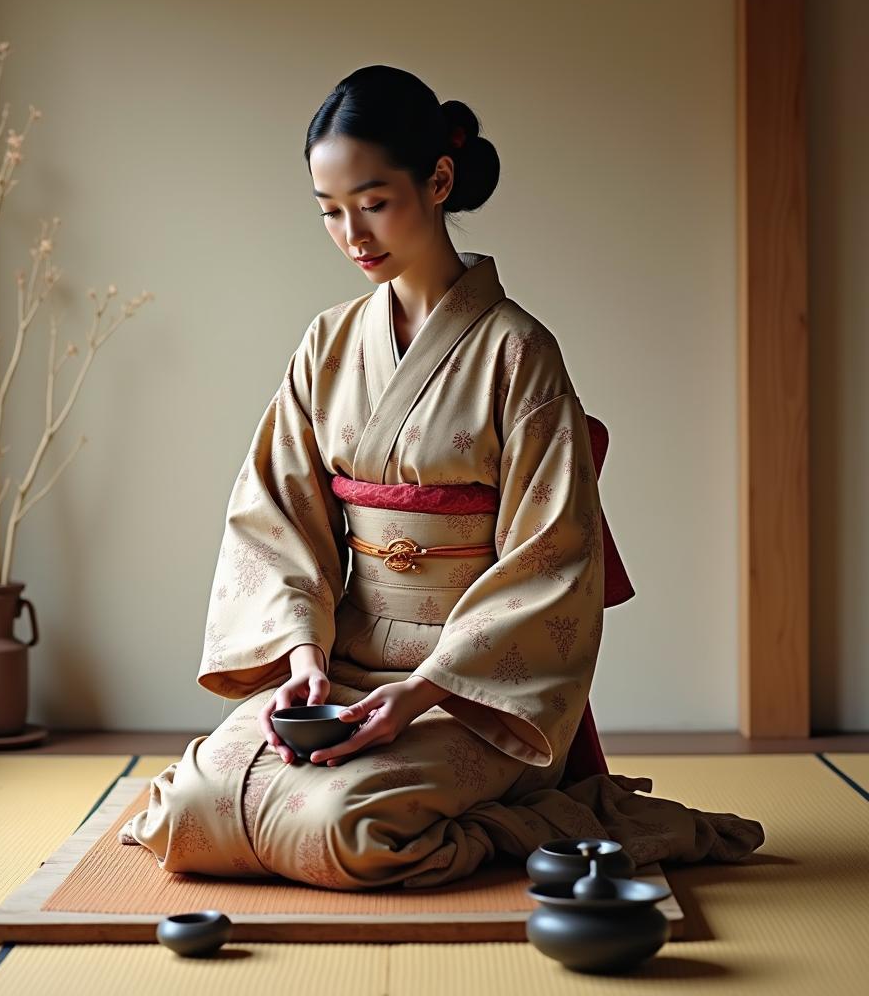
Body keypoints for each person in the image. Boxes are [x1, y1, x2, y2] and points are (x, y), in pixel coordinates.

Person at [120, 65, 765, 888]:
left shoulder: (520, 353)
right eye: (329, 212)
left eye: (374, 201)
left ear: (439, 180)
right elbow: (273, 516)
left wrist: (420, 695)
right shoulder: (325, 343)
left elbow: (552, 560)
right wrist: (300, 658)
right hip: (343, 665)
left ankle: (531, 815)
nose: (353, 233)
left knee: (346, 826)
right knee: (190, 808)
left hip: (472, 695)